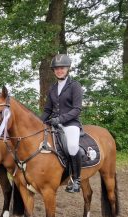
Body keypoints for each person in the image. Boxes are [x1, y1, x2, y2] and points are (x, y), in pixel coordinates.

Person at [41, 54, 83, 193]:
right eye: (57, 69)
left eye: (62, 68)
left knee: (71, 146)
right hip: (55, 124)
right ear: (53, 71)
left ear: (67, 69)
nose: (59, 70)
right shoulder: (53, 88)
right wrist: (39, 122)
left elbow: (77, 109)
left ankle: (76, 180)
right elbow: (47, 109)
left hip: (71, 123)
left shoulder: (75, 86)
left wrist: (60, 119)